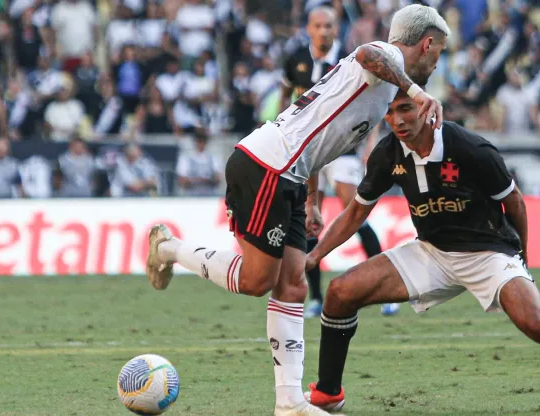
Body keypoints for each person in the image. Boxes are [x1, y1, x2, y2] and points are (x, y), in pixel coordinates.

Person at [145, 4, 449, 416]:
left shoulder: (381, 91)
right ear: (427, 43)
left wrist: (311, 198)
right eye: (439, 52)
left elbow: (319, 136)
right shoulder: (387, 56)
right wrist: (416, 90)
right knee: (257, 281)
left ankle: (289, 403)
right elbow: (366, 53)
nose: (437, 61)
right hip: (267, 164)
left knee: (293, 285)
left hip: (289, 174)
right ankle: (168, 248)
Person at [302, 91, 540, 414]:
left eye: (406, 109)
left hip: (489, 251)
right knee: (339, 293)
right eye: (390, 114)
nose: (398, 121)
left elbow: (514, 202)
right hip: (432, 252)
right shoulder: (387, 154)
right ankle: (329, 393)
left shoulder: (470, 147)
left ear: (425, 107)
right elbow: (356, 213)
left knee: (537, 323)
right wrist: (315, 255)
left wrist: (521, 258)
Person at [279, 6, 392, 318]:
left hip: (343, 150)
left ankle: (385, 289)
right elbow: (286, 93)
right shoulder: (297, 59)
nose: (324, 31)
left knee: (354, 212)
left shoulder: (354, 60)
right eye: (318, 26)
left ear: (337, 27)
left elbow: (376, 101)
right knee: (309, 219)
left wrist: (371, 141)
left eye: (329, 25)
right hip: (307, 152)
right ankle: (315, 297)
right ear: (308, 28)